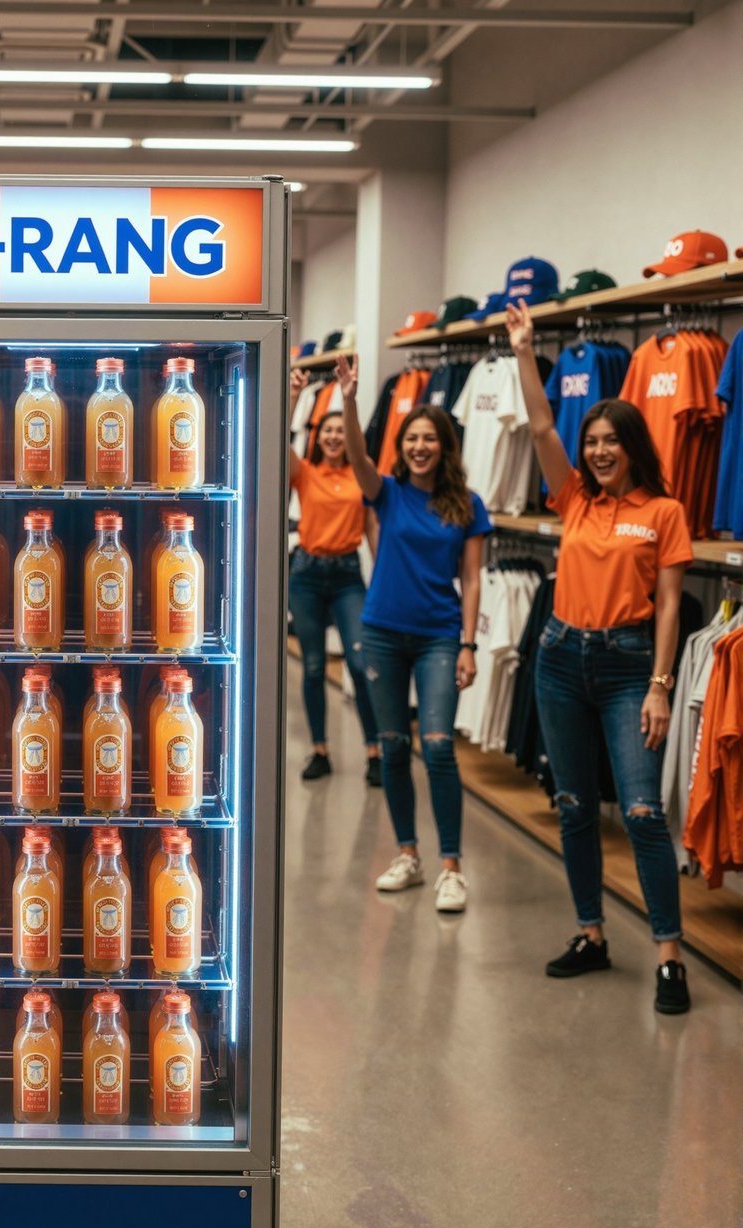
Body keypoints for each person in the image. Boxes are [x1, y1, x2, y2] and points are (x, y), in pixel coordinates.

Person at [504, 302, 694, 1014]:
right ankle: (591, 933)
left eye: (612, 441)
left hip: (626, 667)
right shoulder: (574, 500)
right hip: (559, 658)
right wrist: (526, 353)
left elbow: (672, 606)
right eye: (594, 441)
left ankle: (669, 955)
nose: (600, 451)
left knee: (642, 812)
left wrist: (659, 687)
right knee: (575, 804)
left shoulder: (664, 512)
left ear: (633, 445)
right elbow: (542, 426)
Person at [336, 356, 492, 913]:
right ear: (401, 446)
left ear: (444, 446)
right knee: (395, 748)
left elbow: (472, 579)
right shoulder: (387, 493)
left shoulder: (468, 506)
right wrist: (349, 401)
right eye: (412, 439)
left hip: (439, 637)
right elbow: (355, 455)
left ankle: (452, 865)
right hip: (381, 632)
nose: (420, 447)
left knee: (439, 747)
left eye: (430, 439)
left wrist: (469, 644)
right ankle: (408, 853)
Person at [287, 368, 382, 785]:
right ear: (317, 435)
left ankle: (374, 751)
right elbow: (276, 439)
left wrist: (380, 578)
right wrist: (291, 394)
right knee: (311, 667)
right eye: (327, 430)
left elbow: (375, 528)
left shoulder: (362, 474)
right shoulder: (305, 471)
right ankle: (320, 750)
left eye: (341, 430)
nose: (333, 437)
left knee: (360, 666)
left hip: (347, 576)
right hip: (307, 573)